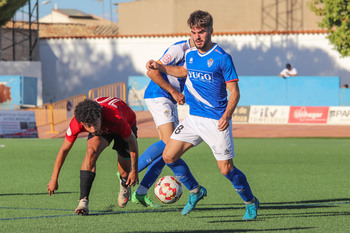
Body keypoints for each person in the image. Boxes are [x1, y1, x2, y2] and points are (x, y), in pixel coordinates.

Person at [146, 10, 259, 220]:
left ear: (210, 31)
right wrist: (161, 67)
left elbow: (234, 92)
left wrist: (226, 115)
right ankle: (196, 191)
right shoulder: (190, 54)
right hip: (193, 118)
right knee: (168, 156)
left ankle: (250, 202)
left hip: (217, 121)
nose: (197, 37)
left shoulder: (222, 58)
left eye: (201, 32)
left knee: (226, 170)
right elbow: (184, 72)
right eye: (193, 32)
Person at [47, 97, 139, 215]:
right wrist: (54, 178)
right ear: (82, 123)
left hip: (125, 124)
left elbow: (132, 142)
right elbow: (64, 149)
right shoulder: (77, 122)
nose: (93, 129)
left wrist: (134, 170)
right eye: (88, 126)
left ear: (100, 115)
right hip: (105, 127)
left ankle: (124, 183)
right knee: (91, 151)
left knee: (124, 172)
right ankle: (83, 201)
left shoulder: (116, 118)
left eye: (95, 123)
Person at [131, 38, 194, 207]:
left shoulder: (199, 54)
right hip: (159, 96)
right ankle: (128, 173)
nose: (200, 37)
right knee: (169, 143)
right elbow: (152, 72)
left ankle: (141, 192)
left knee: (168, 150)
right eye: (196, 32)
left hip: (170, 99)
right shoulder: (179, 49)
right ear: (192, 32)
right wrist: (174, 92)